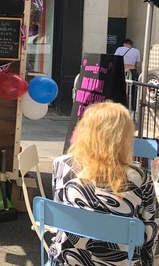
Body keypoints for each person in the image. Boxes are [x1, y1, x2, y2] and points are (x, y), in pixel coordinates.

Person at [51, 101, 159, 265]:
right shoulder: (140, 178)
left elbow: (61, 211)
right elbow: (151, 231)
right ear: (124, 137)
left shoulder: (62, 165)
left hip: (67, 259)